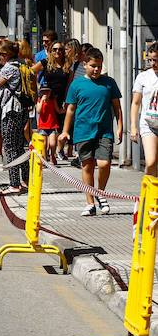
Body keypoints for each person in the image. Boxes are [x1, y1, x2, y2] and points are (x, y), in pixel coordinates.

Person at [59, 47, 123, 216]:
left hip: (104, 131)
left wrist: (120, 126)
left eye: (99, 66)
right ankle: (90, 203)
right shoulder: (77, 84)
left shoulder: (109, 83)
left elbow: (117, 107)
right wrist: (65, 131)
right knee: (87, 166)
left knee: (104, 164)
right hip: (83, 131)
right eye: (93, 66)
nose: (96, 69)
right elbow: (71, 109)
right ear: (85, 65)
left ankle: (100, 193)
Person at [0, 41, 29, 193]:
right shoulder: (21, 64)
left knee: (10, 147)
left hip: (11, 111)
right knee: (19, 146)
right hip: (20, 110)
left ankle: (14, 184)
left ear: (5, 55)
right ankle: (25, 180)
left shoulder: (9, 68)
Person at [130, 43, 158, 177]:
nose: (153, 63)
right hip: (149, 124)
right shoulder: (143, 77)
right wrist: (133, 126)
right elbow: (135, 103)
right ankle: (149, 194)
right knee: (151, 162)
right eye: (151, 60)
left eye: (156, 60)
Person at [36, 87, 61, 164]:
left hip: (52, 125)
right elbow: (38, 111)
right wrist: (42, 101)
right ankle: (44, 159)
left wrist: (66, 109)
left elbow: (58, 110)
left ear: (50, 93)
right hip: (43, 126)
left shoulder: (53, 100)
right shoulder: (39, 100)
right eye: (43, 92)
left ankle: (52, 155)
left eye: (47, 92)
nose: (46, 94)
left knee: (52, 143)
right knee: (44, 145)